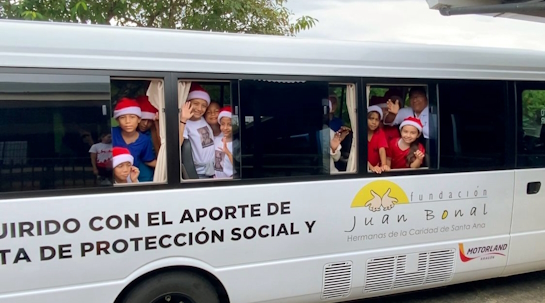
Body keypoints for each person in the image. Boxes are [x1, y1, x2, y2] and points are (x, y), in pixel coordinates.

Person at [112, 97, 156, 182]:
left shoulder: (144, 140)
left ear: (139, 119)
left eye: (132, 117)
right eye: (122, 117)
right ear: (117, 120)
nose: (127, 121)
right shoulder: (112, 133)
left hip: (130, 178)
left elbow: (148, 159)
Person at [179, 84, 216, 179]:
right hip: (199, 173)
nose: (199, 109)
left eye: (204, 106)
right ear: (187, 103)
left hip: (213, 171)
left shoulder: (203, 118)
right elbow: (177, 144)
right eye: (196, 103)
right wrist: (183, 119)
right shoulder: (185, 123)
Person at [136, 95, 159, 182]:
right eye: (143, 119)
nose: (145, 124)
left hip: (153, 177)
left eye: (149, 121)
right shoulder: (128, 134)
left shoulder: (153, 133)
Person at [214, 106, 236, 178]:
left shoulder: (237, 144)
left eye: (230, 124)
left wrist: (228, 153)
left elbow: (239, 166)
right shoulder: (216, 140)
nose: (225, 128)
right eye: (222, 124)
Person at [367, 106, 389, 174]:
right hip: (364, 168)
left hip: (377, 168)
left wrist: (383, 165)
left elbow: (382, 150)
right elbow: (361, 155)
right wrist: (371, 167)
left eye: (377, 120)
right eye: (371, 118)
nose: (374, 122)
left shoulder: (380, 133)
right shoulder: (360, 133)